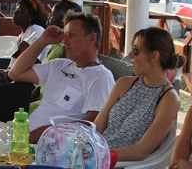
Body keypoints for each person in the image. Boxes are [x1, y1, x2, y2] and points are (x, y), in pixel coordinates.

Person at [8, 12, 115, 143]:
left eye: (72, 35)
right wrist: (43, 40)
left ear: (92, 39)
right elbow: (15, 73)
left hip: (51, 146)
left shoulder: (100, 77)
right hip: (22, 138)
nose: (65, 41)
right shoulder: (59, 65)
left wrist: (47, 132)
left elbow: (92, 125)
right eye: (65, 35)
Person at [95, 27, 183, 164]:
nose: (130, 55)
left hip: (119, 165)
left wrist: (102, 157)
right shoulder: (124, 83)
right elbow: (97, 127)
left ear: (154, 56)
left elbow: (141, 150)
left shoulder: (168, 99)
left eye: (136, 51)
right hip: (94, 157)